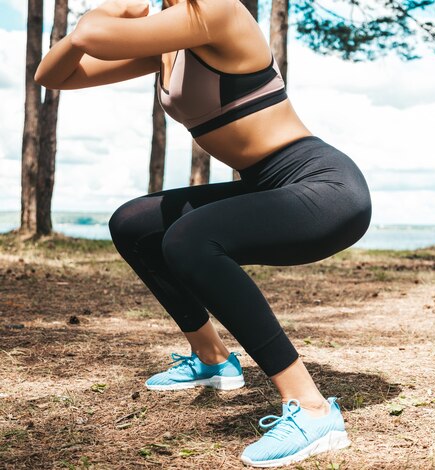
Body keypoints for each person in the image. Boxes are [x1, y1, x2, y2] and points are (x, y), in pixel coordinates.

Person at [34, 0, 372, 466]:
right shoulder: (165, 44)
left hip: (324, 187)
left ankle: (313, 411)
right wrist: (76, 35)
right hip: (265, 184)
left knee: (189, 239)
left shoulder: (217, 11)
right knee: (134, 224)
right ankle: (212, 359)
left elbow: (94, 34)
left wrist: (110, 13)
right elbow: (54, 75)